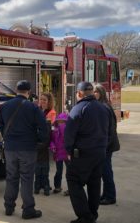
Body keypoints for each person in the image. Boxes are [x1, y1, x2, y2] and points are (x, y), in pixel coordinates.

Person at [0, 80, 48, 219]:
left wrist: (9, 136)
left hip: (10, 148)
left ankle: (8, 207)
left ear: (16, 90)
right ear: (29, 92)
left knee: (11, 177)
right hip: (28, 148)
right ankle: (28, 210)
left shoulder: (5, 106)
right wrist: (39, 141)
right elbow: (43, 128)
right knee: (26, 178)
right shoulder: (33, 108)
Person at [64, 81, 110, 223]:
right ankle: (92, 214)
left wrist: (68, 150)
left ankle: (85, 216)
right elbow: (109, 131)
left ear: (79, 93)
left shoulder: (78, 109)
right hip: (100, 152)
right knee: (94, 183)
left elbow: (69, 134)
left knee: (73, 180)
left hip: (83, 154)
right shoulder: (103, 108)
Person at [94, 84, 120, 205]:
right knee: (104, 171)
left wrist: (104, 146)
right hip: (106, 145)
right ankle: (106, 194)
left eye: (96, 92)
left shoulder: (104, 107)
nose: (94, 94)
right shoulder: (102, 106)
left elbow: (109, 130)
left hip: (106, 146)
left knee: (106, 171)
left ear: (101, 93)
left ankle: (110, 196)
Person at [34, 92, 56, 196]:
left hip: (45, 141)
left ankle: (44, 185)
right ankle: (39, 185)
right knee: (38, 165)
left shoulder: (51, 113)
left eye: (44, 100)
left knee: (43, 164)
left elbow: (48, 127)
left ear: (49, 102)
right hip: (37, 140)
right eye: (41, 99)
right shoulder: (37, 110)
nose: (42, 101)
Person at [49, 112, 69, 194]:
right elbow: (51, 140)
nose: (61, 123)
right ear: (57, 121)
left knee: (69, 172)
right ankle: (57, 186)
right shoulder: (54, 130)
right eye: (59, 121)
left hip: (67, 153)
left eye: (63, 122)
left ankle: (70, 188)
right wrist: (52, 146)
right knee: (59, 171)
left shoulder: (68, 130)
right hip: (58, 153)